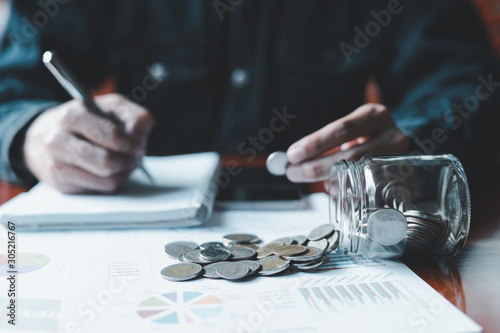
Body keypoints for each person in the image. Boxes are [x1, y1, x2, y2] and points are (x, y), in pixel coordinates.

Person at [0, 0, 499, 193]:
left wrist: (415, 139)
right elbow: (11, 92)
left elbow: (469, 84)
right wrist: (31, 133)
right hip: (130, 228)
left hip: (329, 222)